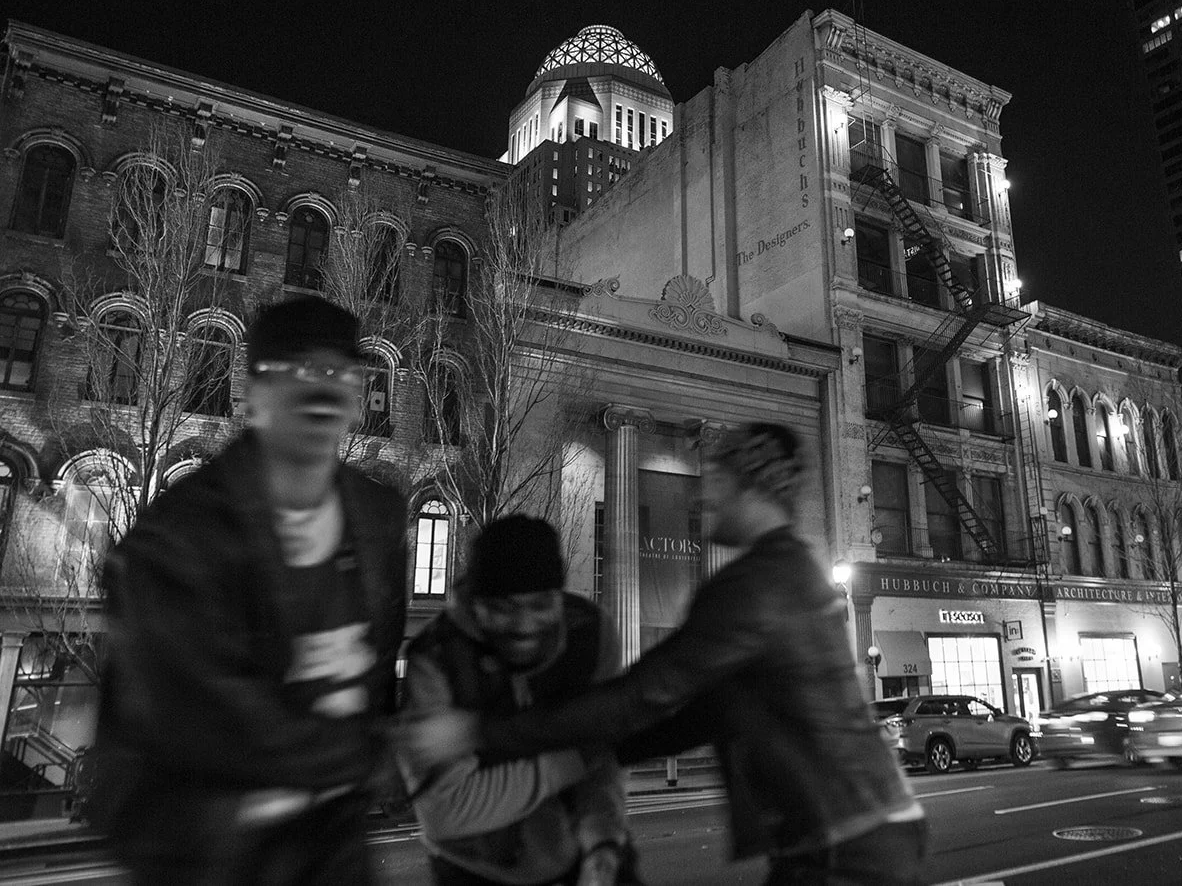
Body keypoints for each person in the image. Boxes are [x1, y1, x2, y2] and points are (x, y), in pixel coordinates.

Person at [404, 423, 926, 885]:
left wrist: (478, 733)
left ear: (752, 487)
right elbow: (703, 713)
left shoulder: (752, 587)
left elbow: (643, 696)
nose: (703, 498)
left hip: (844, 839)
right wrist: (599, 756)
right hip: (860, 826)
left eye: (716, 480)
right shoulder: (790, 571)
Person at [92, 296, 409, 885]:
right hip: (209, 852)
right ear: (254, 393)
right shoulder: (180, 537)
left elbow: (376, 662)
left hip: (333, 846)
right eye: (295, 369)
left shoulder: (378, 517)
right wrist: (387, 752)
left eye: (339, 371)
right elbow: (208, 722)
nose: (321, 387)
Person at [397, 514, 633, 886]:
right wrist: (576, 756)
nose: (524, 625)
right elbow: (444, 810)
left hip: (587, 849)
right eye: (504, 608)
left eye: (540, 604)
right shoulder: (436, 657)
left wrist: (602, 838)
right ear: (476, 602)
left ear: (559, 596)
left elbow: (604, 758)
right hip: (478, 871)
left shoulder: (591, 632)